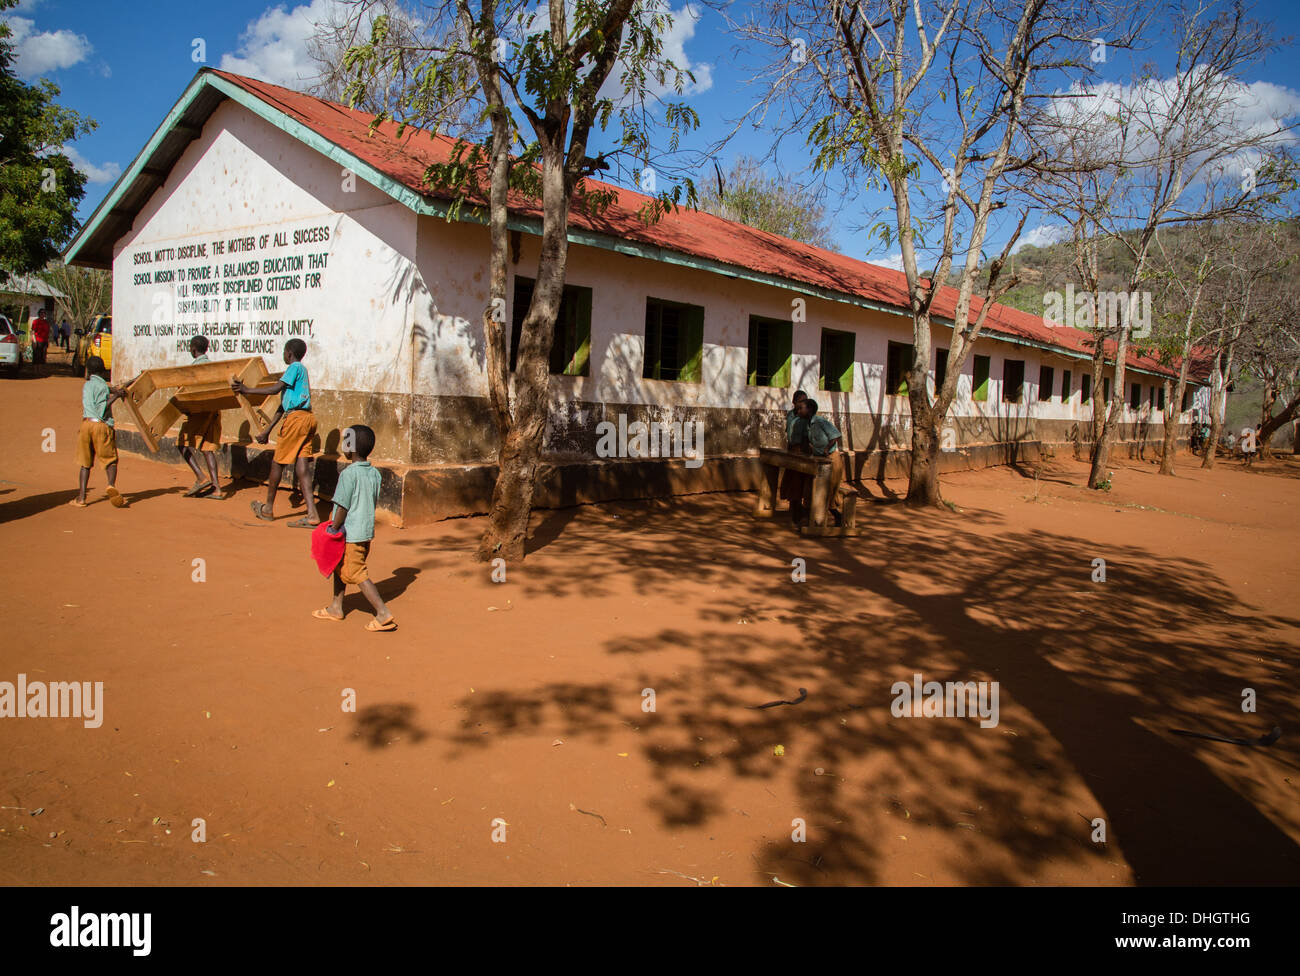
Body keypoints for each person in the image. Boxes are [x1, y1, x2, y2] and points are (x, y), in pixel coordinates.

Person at [313, 425, 396, 631]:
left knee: (356, 571)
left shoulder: (348, 474)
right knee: (340, 566)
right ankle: (336, 606)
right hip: (364, 532)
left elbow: (342, 506)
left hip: (349, 533)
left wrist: (334, 526)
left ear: (350, 447)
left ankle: (382, 613)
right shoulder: (374, 474)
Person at [232, 338, 321, 527]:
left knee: (277, 463)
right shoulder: (301, 372)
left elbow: (275, 389)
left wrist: (247, 389)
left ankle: (268, 509)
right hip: (307, 419)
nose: (283, 355)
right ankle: (312, 514)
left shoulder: (294, 368)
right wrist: (267, 430)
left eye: (284, 352)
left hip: (296, 421)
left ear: (289, 353)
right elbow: (283, 406)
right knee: (302, 467)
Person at [72, 356, 129, 508]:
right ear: (103, 371)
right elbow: (101, 408)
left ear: (89, 371)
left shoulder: (87, 385)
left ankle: (82, 498)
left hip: (86, 425)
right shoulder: (103, 386)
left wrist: (115, 389)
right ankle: (111, 485)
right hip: (101, 426)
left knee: (85, 463)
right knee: (111, 460)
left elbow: (104, 389)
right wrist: (116, 395)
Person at [177, 336, 226, 499]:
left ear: (192, 349)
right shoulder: (213, 366)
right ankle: (217, 488)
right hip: (214, 411)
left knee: (182, 443)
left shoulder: (194, 368)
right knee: (207, 448)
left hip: (199, 412)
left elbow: (186, 392)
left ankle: (200, 476)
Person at [799, 397, 846, 524]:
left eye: (801, 408)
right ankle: (810, 518)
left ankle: (836, 517)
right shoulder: (808, 424)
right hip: (819, 460)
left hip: (831, 459)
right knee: (810, 487)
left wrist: (826, 449)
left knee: (829, 490)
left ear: (809, 409)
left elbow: (835, 435)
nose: (799, 411)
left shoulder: (820, 421)